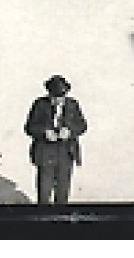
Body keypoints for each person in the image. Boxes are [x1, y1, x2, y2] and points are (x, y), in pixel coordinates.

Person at [24, 74, 87, 204]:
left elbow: (82, 125)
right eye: (55, 97)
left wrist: (70, 131)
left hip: (66, 153)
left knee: (63, 192)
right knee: (44, 192)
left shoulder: (72, 105)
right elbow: (29, 127)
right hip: (45, 153)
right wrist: (44, 132)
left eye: (61, 97)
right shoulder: (39, 104)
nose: (58, 101)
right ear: (49, 95)